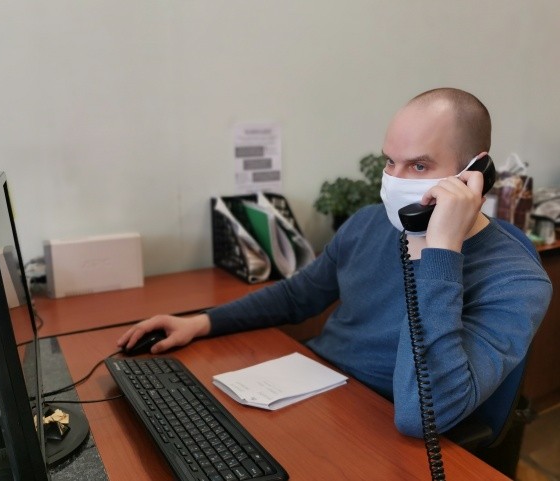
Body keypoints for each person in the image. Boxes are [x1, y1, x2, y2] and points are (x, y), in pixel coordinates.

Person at [118, 88, 552, 438]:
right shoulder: (369, 223)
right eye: (390, 161)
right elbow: (298, 295)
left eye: (419, 165)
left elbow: (422, 415)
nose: (395, 180)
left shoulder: (517, 280)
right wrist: (201, 323)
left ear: (475, 173)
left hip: (382, 425)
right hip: (313, 391)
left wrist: (437, 252)